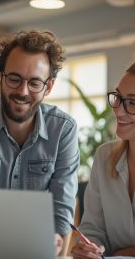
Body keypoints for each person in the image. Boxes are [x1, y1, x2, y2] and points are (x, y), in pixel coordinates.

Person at [0, 30, 79, 255]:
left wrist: (56, 244)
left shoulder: (63, 130)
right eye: (14, 79)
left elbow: (62, 210)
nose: (22, 91)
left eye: (34, 83)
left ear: (48, 87)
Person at [71, 62, 135, 258]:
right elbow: (93, 229)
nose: (117, 109)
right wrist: (90, 248)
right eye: (118, 97)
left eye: (132, 102)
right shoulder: (104, 157)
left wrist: (119, 254)